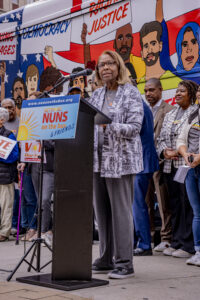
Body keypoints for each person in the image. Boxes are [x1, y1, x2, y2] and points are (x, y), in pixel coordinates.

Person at [89, 50, 144, 279]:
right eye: (102, 65)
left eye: (110, 63)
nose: (106, 68)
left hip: (120, 162)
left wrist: (108, 125)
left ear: (119, 67)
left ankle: (124, 262)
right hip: (98, 161)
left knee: (120, 212)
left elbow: (135, 127)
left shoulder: (130, 93)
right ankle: (105, 257)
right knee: (101, 212)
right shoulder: (96, 94)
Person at [157, 80, 198, 258]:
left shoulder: (193, 113)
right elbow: (160, 138)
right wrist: (164, 152)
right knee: (174, 204)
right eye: (177, 91)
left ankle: (187, 244)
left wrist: (180, 152)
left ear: (191, 93)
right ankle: (176, 241)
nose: (178, 94)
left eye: (182, 91)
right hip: (169, 166)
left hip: (186, 165)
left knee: (187, 204)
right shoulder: (170, 114)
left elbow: (192, 140)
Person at [144, 78, 174, 252]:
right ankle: (148, 237)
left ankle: (166, 237)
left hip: (162, 163)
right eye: (146, 90)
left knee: (163, 202)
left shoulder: (169, 110)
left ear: (160, 90)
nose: (148, 94)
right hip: (144, 163)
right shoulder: (142, 110)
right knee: (145, 202)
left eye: (152, 90)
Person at [177, 84, 200, 266]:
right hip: (191, 168)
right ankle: (198, 251)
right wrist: (185, 155)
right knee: (197, 212)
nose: (199, 93)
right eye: (199, 90)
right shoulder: (193, 115)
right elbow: (181, 139)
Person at [133, 98, 159, 256]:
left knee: (136, 204)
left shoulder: (137, 104)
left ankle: (144, 244)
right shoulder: (139, 103)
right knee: (135, 203)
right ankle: (137, 241)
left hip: (140, 160)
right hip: (140, 159)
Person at [137, 21, 182, 94]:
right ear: (142, 53)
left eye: (153, 43)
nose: (149, 50)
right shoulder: (137, 90)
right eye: (146, 46)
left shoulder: (177, 83)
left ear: (160, 46)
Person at [1, 98, 20, 235]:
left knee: (6, 205)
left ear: (2, 120)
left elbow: (14, 156)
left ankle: (4, 232)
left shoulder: (9, 135)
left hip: (5, 176)